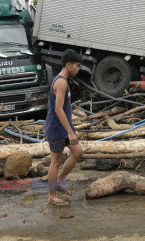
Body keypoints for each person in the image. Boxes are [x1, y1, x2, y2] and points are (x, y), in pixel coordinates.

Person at [45, 49, 84, 207]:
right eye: (77, 65)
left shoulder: (63, 80)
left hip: (65, 127)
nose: (78, 69)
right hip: (56, 128)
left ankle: (59, 181)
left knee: (78, 152)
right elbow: (58, 109)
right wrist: (70, 131)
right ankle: (52, 196)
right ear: (68, 64)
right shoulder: (60, 82)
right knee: (55, 162)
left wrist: (69, 129)